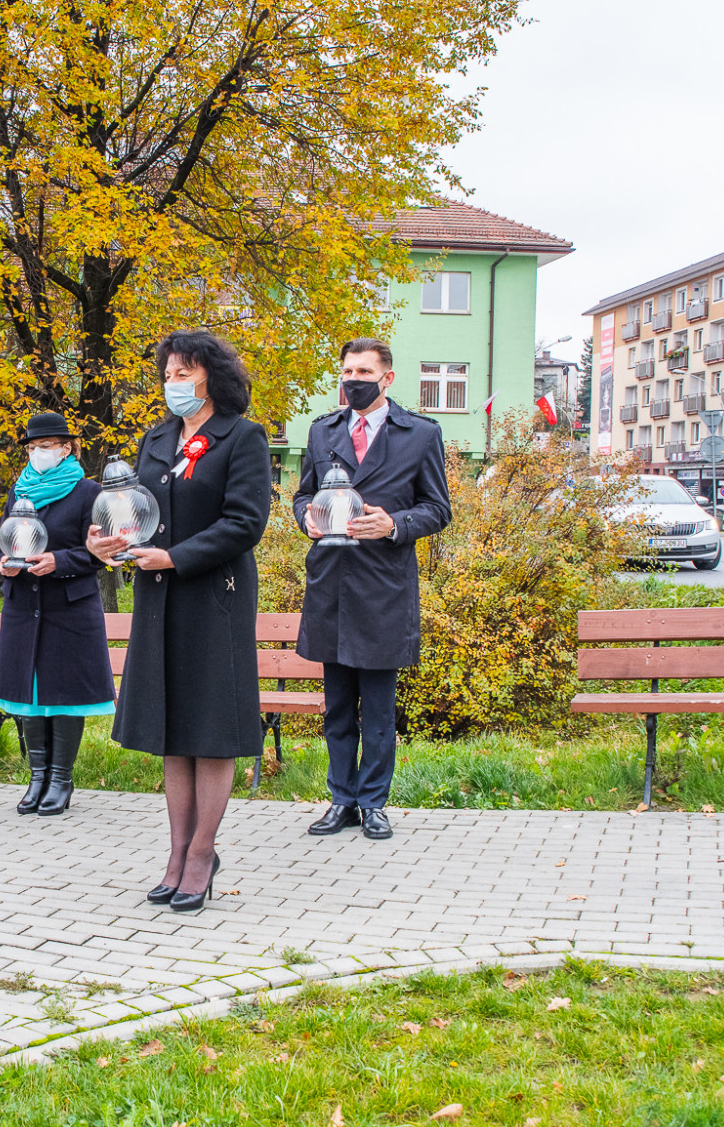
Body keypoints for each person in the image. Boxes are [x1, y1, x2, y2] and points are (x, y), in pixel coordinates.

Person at [89, 330, 271, 912]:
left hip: (214, 598)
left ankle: (201, 855)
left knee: (210, 732)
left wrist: (176, 555)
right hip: (160, 600)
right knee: (173, 731)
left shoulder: (243, 438)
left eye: (184, 372)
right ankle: (176, 852)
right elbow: (137, 512)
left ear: (212, 377)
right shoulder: (158, 436)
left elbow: (245, 522)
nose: (173, 382)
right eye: (168, 372)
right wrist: (108, 542)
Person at [292, 337, 452, 840]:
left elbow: (438, 508)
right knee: (337, 704)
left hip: (384, 587)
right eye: (346, 371)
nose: (352, 379)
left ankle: (374, 802)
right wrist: (308, 521)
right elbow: (301, 496)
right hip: (331, 585)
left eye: (363, 371)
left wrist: (395, 524)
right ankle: (341, 799)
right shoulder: (323, 431)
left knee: (379, 709)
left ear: (387, 378)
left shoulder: (420, 434)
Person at [0, 412, 115, 816]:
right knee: (29, 697)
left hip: (69, 608)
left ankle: (61, 779)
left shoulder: (87, 492)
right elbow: (3, 539)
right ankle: (36, 777)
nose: (38, 454)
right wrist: (1, 562)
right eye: (32, 447)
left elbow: (99, 552)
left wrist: (57, 560)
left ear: (66, 448)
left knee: (63, 695)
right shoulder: (19, 491)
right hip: (23, 606)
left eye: (45, 446)